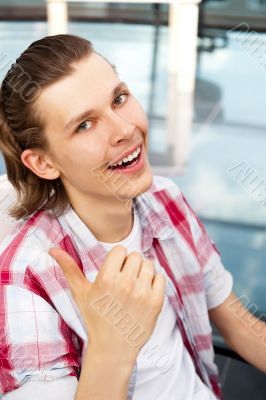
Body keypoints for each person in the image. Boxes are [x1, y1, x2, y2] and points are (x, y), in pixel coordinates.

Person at [0, 34, 265, 400]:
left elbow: (239, 326)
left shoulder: (165, 199)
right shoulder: (25, 278)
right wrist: (111, 347)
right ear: (43, 163)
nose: (125, 130)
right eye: (84, 125)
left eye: (119, 99)